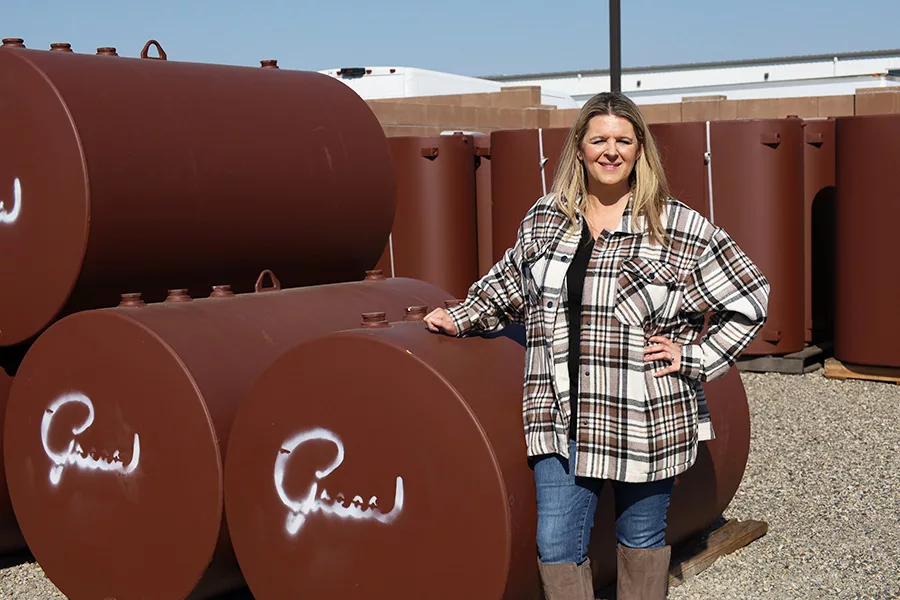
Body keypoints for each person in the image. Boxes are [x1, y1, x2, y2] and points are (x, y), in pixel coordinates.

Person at [423, 91, 769, 600]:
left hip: (644, 413)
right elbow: (507, 284)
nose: (612, 151)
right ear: (579, 149)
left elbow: (750, 296)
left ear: (640, 150)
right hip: (559, 412)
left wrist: (692, 357)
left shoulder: (673, 225)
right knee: (556, 545)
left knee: (641, 538)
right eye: (599, 139)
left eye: (624, 140)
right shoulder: (545, 218)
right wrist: (460, 316)